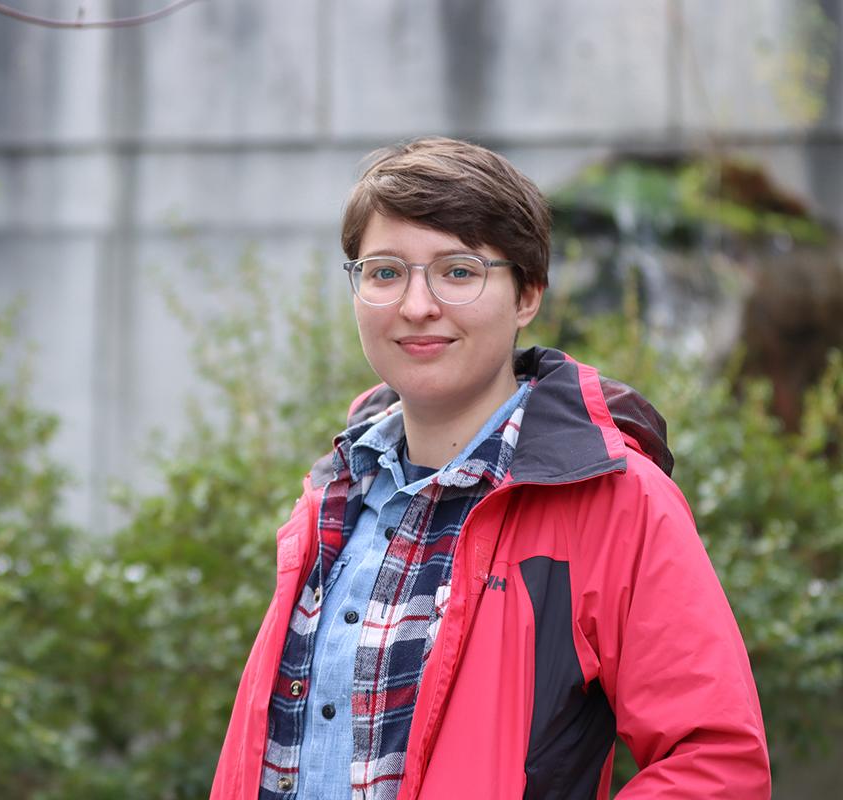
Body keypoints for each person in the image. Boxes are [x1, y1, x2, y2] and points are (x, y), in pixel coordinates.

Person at [210, 138, 770, 800]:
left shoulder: (616, 502)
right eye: (385, 272)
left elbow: (716, 760)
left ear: (527, 293)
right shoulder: (332, 499)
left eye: (457, 271)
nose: (416, 305)